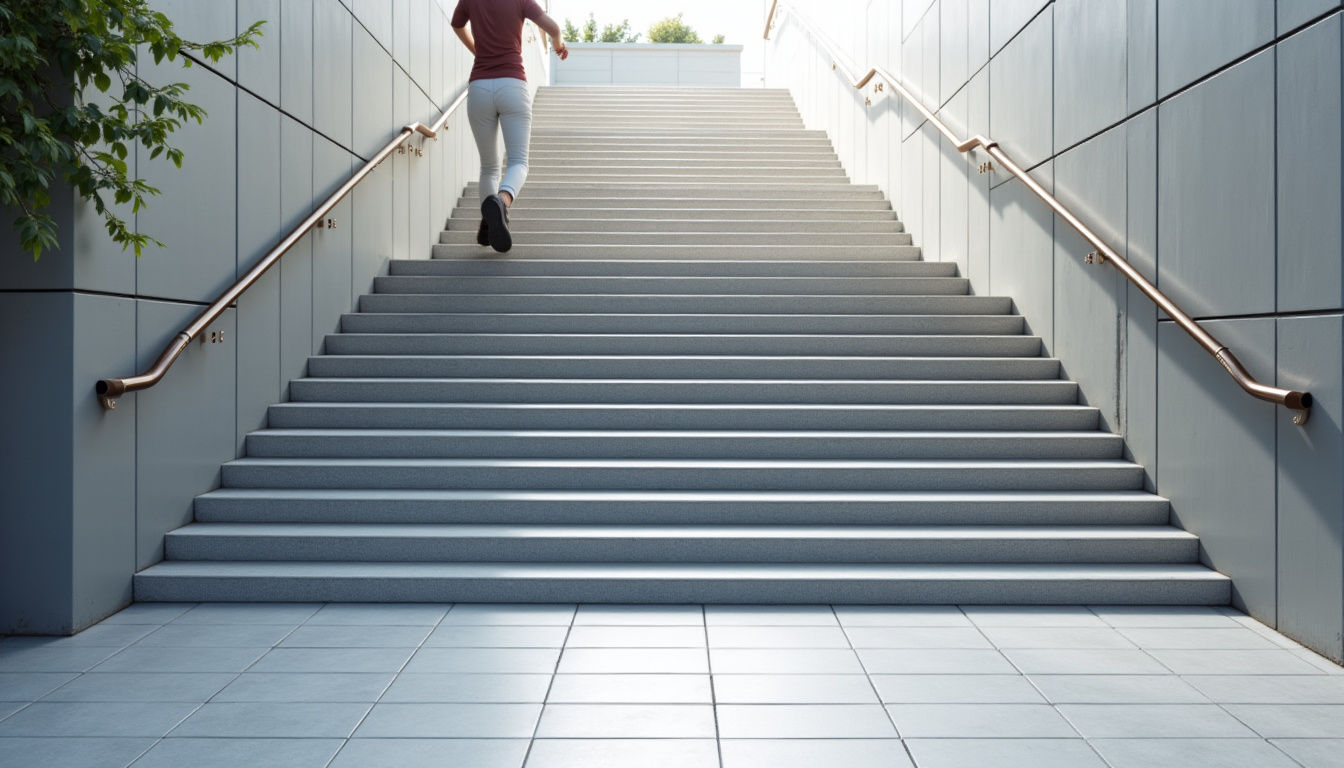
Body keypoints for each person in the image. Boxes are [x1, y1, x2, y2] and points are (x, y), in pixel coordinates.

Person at [451, 0, 569, 253]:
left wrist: (477, 50)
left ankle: (486, 225)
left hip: (480, 87)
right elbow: (553, 28)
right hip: (512, 84)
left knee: (488, 167)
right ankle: (502, 202)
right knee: (518, 162)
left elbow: (457, 24)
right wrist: (558, 44)